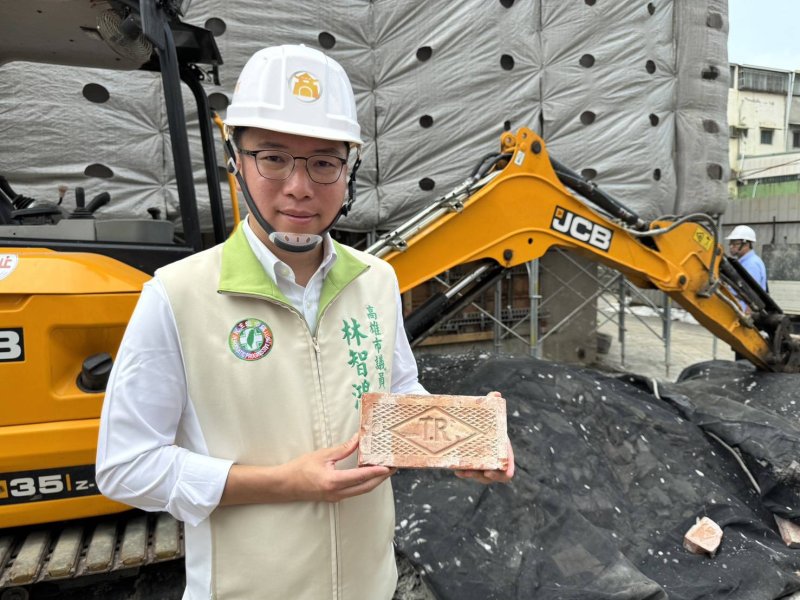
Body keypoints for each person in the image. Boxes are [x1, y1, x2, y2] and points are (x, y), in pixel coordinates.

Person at [96, 44, 514, 600]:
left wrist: (458, 441)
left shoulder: (376, 280)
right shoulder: (177, 296)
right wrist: (282, 483)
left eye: (323, 162)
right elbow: (126, 467)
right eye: (273, 157)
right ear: (235, 159)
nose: (299, 186)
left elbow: (397, 393)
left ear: (349, 171)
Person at [726, 224, 767, 291]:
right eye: (730, 243)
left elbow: (748, 291)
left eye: (735, 244)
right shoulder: (744, 262)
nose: (731, 247)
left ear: (746, 244)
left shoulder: (752, 264)